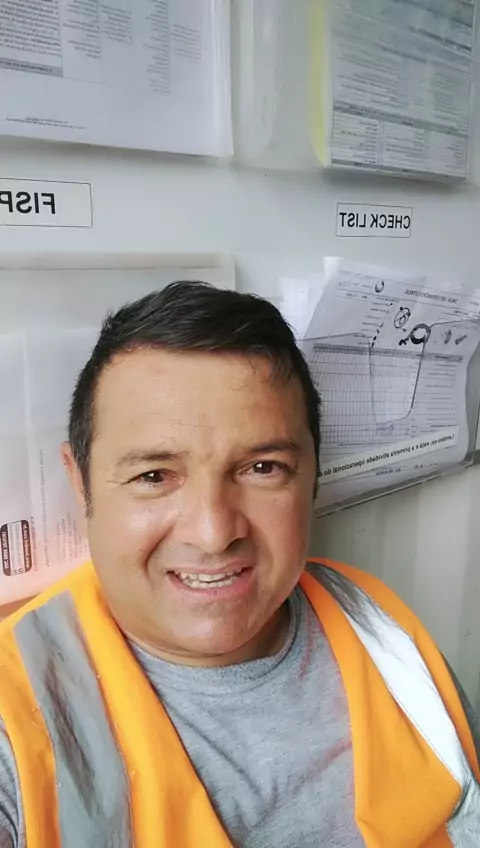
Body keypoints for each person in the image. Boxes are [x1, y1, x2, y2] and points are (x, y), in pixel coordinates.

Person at [0, 282, 478, 848]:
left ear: (313, 474)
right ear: (81, 483)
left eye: (262, 468)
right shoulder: (14, 715)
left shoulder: (378, 623)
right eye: (154, 476)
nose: (214, 533)